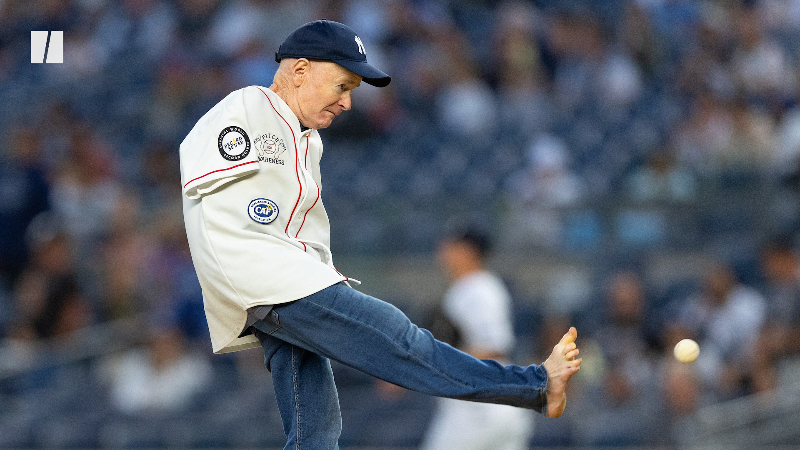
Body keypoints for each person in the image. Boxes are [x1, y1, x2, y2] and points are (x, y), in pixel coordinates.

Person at [179, 20, 582, 450]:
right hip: (268, 278)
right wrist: (284, 270)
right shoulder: (251, 106)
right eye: (342, 84)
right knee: (402, 341)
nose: (349, 102)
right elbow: (201, 175)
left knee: (315, 429)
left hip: (273, 285)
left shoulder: (304, 137)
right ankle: (536, 385)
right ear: (299, 71)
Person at [421, 227, 533, 450]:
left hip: (478, 410)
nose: (443, 251)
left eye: (450, 246)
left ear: (467, 251)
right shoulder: (472, 288)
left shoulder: (479, 289)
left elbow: (495, 346)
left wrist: (434, 360)